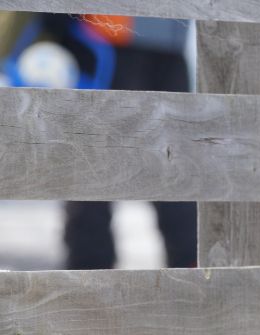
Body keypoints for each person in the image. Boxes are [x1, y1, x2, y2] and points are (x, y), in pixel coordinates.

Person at [1, 13, 197, 269]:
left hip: (138, 40)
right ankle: (91, 280)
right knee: (102, 168)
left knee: (166, 168)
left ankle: (96, 276)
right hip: (123, 38)